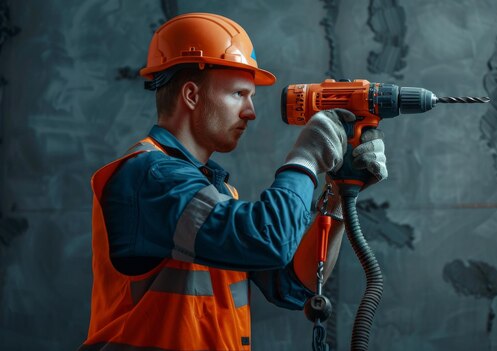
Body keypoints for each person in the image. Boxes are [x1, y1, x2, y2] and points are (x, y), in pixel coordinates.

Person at [79, 12, 387, 351]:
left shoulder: (216, 193)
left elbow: (290, 286)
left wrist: (337, 197)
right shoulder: (148, 178)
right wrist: (307, 157)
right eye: (239, 94)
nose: (250, 112)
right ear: (192, 96)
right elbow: (270, 239)